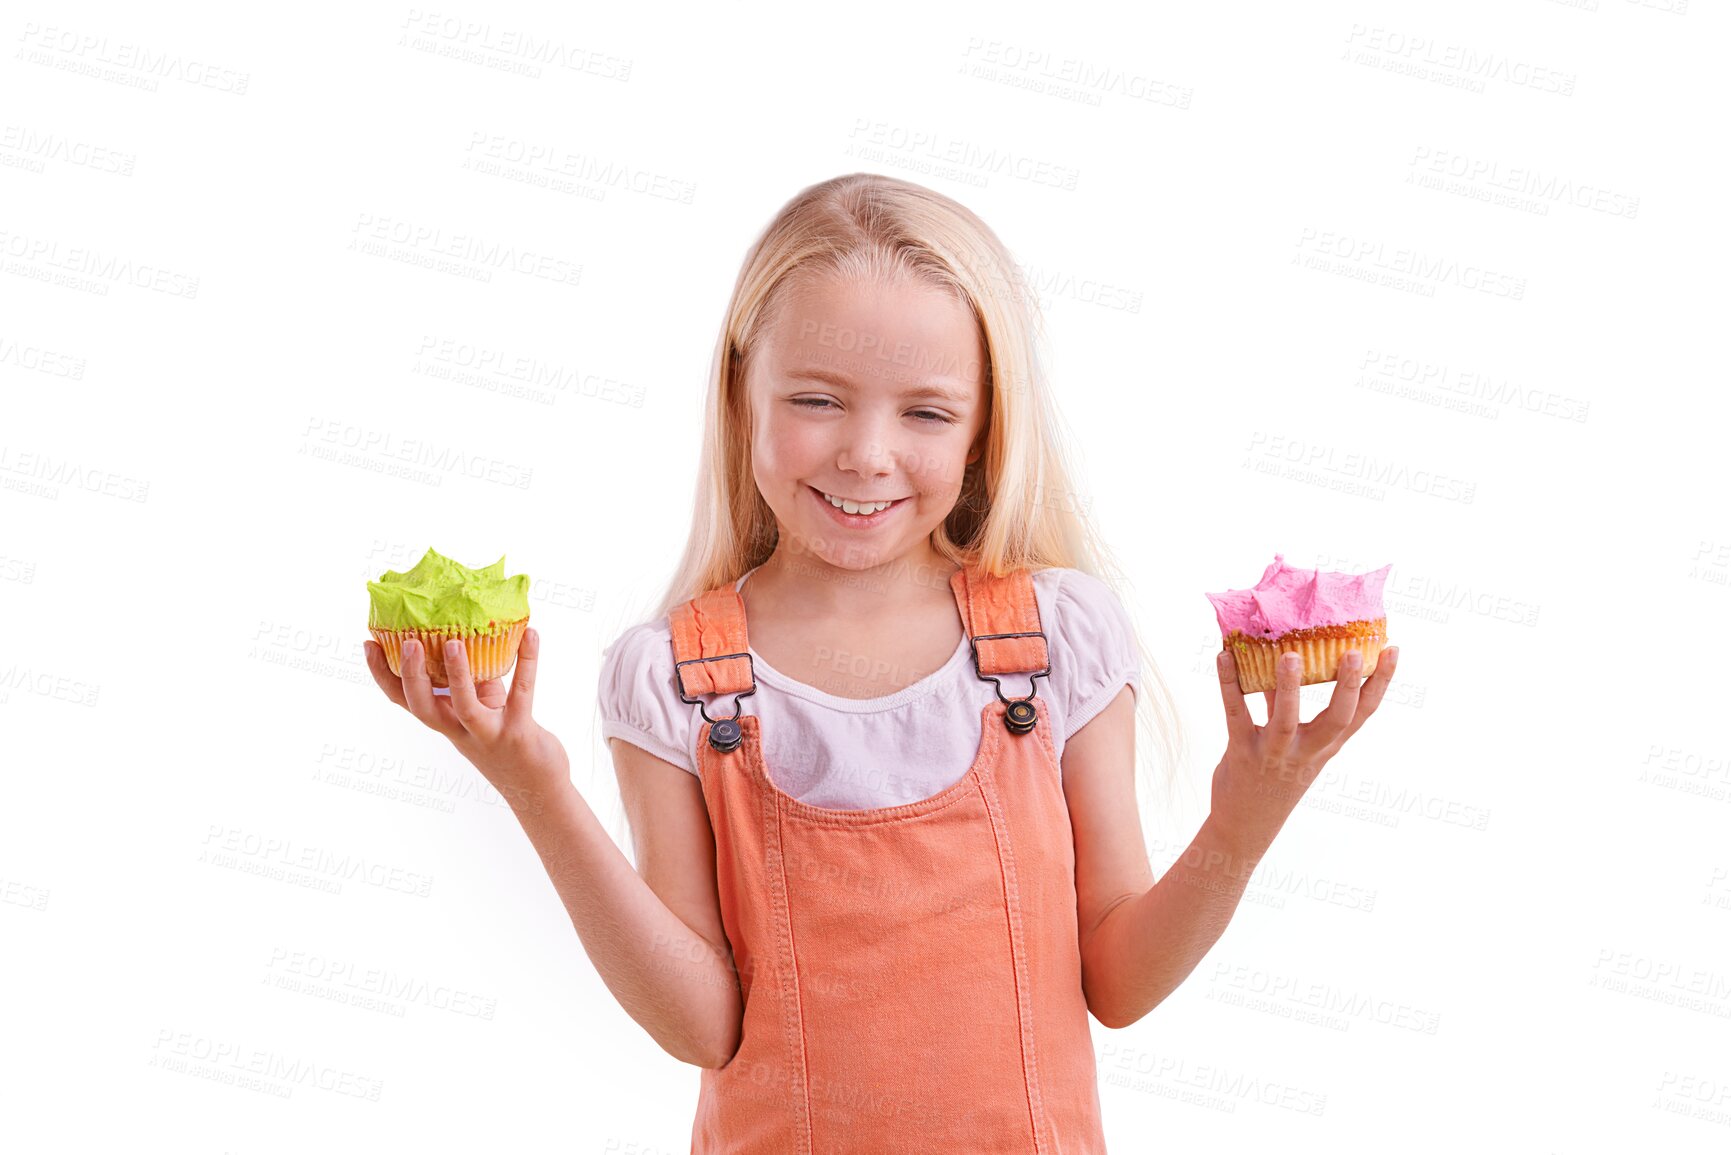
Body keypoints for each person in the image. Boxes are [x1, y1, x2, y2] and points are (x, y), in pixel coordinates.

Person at [364, 172, 1401, 1152]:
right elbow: (700, 1026)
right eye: (817, 400)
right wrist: (534, 783)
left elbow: (1119, 983)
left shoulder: (1057, 639)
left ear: (984, 427)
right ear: (742, 391)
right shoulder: (672, 677)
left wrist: (1248, 816)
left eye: (926, 412)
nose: (866, 454)